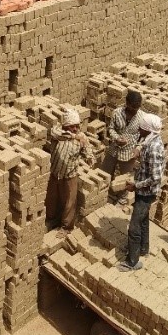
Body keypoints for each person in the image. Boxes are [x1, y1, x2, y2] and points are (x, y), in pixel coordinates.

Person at [119, 113, 165, 272]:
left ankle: (132, 262)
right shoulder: (149, 139)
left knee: (134, 226)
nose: (138, 128)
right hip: (143, 189)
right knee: (144, 220)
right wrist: (138, 149)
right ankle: (143, 249)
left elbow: (156, 178)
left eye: (141, 127)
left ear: (147, 130)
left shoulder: (154, 148)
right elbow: (142, 143)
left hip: (147, 191)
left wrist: (136, 185)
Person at [45, 109, 94, 237]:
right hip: (55, 173)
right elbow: (58, 135)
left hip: (70, 175)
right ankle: (51, 219)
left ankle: (66, 227)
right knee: (51, 198)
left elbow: (88, 152)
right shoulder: (57, 131)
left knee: (69, 202)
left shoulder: (82, 137)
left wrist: (90, 159)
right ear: (65, 125)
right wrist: (74, 137)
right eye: (72, 126)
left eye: (77, 126)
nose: (75, 128)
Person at [101, 90, 143, 206]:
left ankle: (122, 199)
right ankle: (103, 194)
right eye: (133, 106)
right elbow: (111, 129)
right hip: (114, 149)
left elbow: (143, 137)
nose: (135, 109)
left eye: (137, 107)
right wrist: (116, 138)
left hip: (129, 153)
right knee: (105, 172)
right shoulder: (117, 113)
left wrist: (138, 149)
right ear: (127, 103)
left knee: (125, 178)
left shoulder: (142, 117)